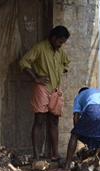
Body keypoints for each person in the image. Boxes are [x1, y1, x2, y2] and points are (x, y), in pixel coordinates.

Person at [19, 25, 70, 162]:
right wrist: (35, 77)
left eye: (63, 42)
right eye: (60, 42)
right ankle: (36, 155)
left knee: (54, 121)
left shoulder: (60, 52)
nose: (61, 45)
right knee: (39, 120)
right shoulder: (40, 47)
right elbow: (24, 62)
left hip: (56, 90)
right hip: (42, 88)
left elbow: (66, 64)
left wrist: (60, 71)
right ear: (53, 38)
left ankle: (55, 153)